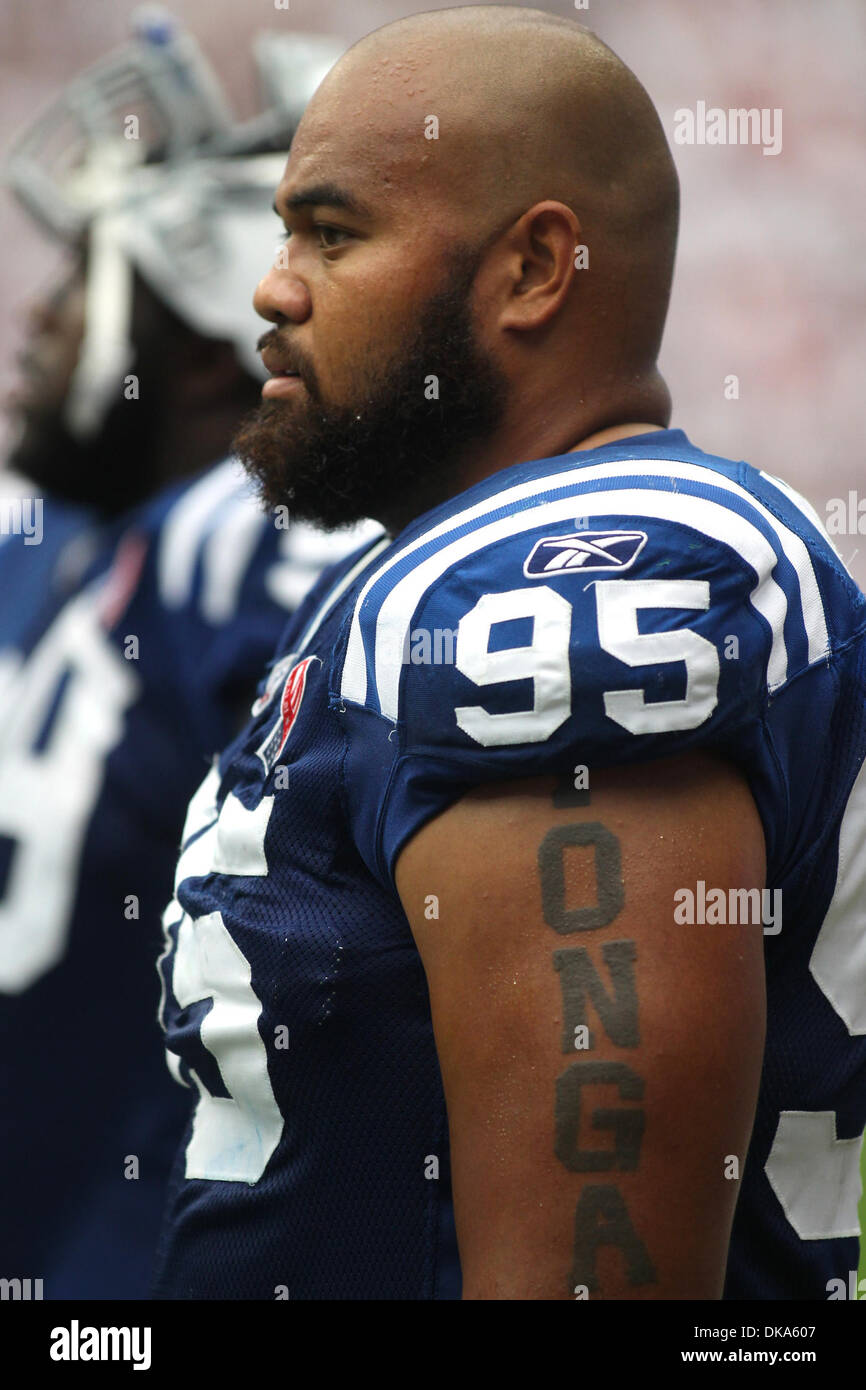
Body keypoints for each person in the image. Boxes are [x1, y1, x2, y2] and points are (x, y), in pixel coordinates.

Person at [153, 7, 866, 1300]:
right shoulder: (430, 567)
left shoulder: (579, 574)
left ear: (533, 269)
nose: (271, 287)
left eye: (332, 231)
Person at [0, 16, 370, 1299]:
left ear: (211, 332)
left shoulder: (244, 536)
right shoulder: (56, 544)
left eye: (84, 280)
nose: (36, 323)